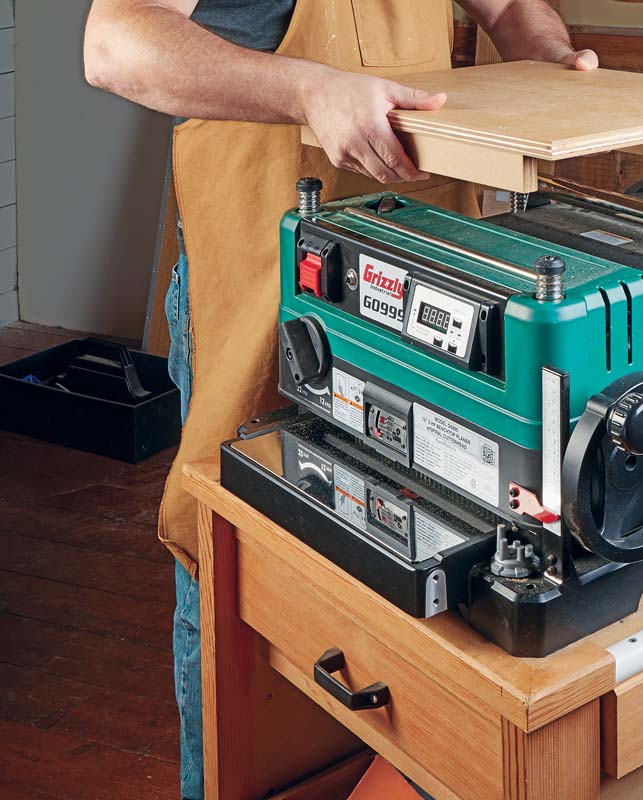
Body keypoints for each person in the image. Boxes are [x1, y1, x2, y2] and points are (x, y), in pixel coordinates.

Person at [81, 2, 597, 797]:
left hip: (422, 281)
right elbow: (114, 44)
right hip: (266, 283)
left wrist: (550, 57)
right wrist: (308, 90)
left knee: (421, 548)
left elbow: (508, 8)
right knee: (235, 554)